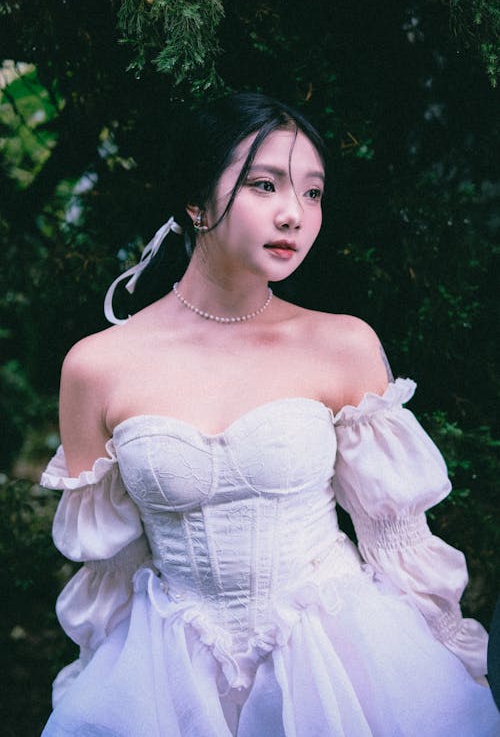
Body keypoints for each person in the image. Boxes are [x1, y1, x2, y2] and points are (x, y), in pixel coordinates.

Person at [41, 93, 499, 736]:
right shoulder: (96, 367)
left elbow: (397, 540)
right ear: (196, 202)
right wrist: (98, 682)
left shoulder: (342, 344)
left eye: (313, 194)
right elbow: (108, 572)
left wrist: (452, 655)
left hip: (338, 662)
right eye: (265, 185)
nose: (295, 215)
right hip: (168, 675)